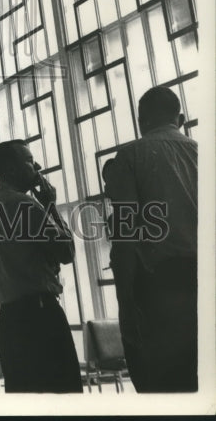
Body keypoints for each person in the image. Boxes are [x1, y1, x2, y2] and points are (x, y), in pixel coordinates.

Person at [104, 86, 197, 393]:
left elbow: (125, 236)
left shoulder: (131, 156)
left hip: (163, 289)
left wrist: (125, 302)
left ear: (141, 120)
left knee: (164, 386)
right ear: (180, 118)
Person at [0, 140, 83, 393]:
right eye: (28, 160)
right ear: (11, 170)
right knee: (64, 395)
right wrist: (50, 205)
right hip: (40, 316)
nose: (37, 166)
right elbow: (66, 251)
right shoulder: (25, 205)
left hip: (10, 321)